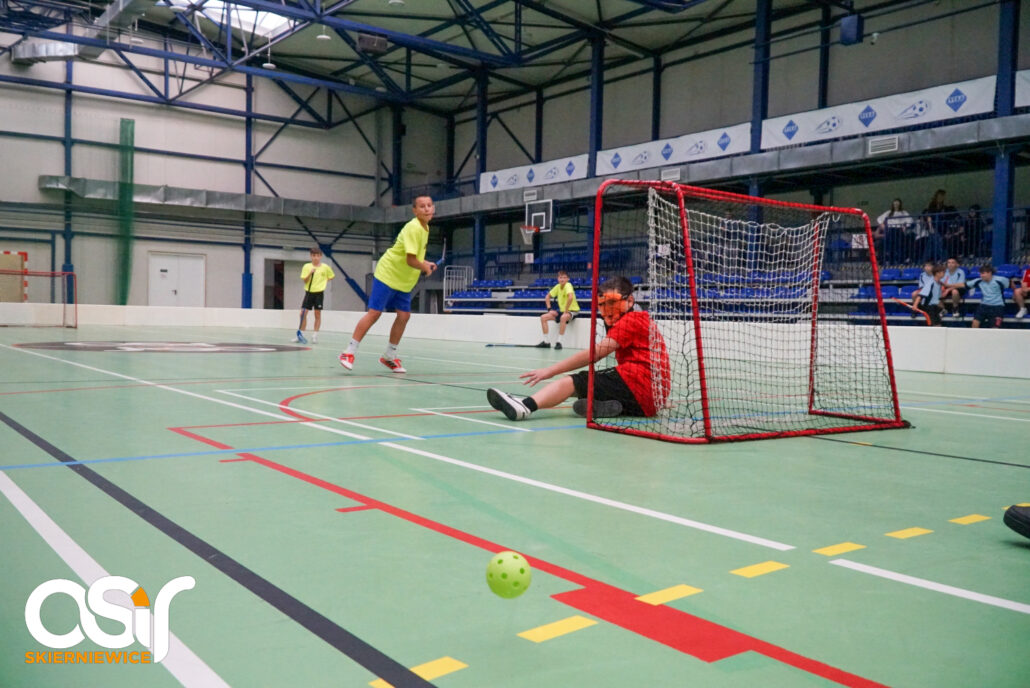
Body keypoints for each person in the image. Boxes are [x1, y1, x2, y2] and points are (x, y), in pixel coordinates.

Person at [487, 277, 670, 421]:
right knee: (580, 388)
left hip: (639, 384)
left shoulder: (631, 320)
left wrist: (550, 370)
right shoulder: (639, 319)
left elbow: (595, 354)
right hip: (649, 398)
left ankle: (525, 406)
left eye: (612, 302)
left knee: (574, 381)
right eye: (602, 304)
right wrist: (657, 398)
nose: (607, 309)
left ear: (629, 300)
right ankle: (612, 405)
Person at [338, 196, 437, 372]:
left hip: (403, 281)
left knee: (404, 316)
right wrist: (425, 268)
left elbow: (414, 257)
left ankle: (389, 356)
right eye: (422, 206)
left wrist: (425, 263)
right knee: (375, 313)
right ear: (415, 211)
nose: (427, 209)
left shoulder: (425, 227)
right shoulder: (414, 228)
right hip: (388, 274)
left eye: (429, 205)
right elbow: (410, 260)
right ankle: (348, 352)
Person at [295, 246, 335, 344]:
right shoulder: (306, 266)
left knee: (317, 314)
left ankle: (315, 335)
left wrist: (323, 282)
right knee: (303, 313)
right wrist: (310, 273)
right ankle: (301, 335)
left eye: (317, 256)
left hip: (319, 293)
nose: (316, 258)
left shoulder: (325, 267)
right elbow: (305, 280)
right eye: (313, 256)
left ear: (320, 256)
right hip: (309, 292)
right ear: (311, 256)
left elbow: (331, 276)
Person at [536, 270, 580, 350]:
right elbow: (547, 297)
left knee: (563, 317)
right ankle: (546, 342)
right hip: (562, 311)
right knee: (543, 317)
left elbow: (570, 297)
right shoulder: (557, 286)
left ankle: (559, 342)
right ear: (558, 279)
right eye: (560, 277)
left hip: (572, 311)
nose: (562, 279)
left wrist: (566, 310)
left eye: (564, 277)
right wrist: (549, 309)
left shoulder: (568, 285)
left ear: (568, 279)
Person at [966, 264, 1009, 329]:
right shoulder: (979, 280)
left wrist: (1014, 291)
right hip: (983, 306)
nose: (981, 275)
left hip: (997, 306)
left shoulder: (1000, 280)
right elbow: (964, 285)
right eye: (980, 274)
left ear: (990, 273)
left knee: (995, 328)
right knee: (975, 324)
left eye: (983, 273)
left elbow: (1011, 283)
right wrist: (950, 286)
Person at [917, 189, 953, 263]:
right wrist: (931, 227)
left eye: (943, 196)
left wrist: (947, 231)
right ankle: (944, 259)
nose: (941, 198)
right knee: (938, 240)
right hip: (934, 227)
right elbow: (929, 217)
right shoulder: (932, 206)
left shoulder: (943, 207)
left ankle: (925, 260)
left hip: (941, 228)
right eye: (940, 196)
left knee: (931, 243)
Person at [876, 198, 913, 264]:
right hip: (891, 229)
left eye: (897, 204)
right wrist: (884, 226)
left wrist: (905, 226)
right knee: (891, 246)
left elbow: (910, 220)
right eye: (895, 204)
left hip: (899, 229)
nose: (896, 205)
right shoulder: (889, 212)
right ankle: (891, 261)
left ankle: (901, 261)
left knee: (900, 245)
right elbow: (879, 219)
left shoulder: (903, 212)